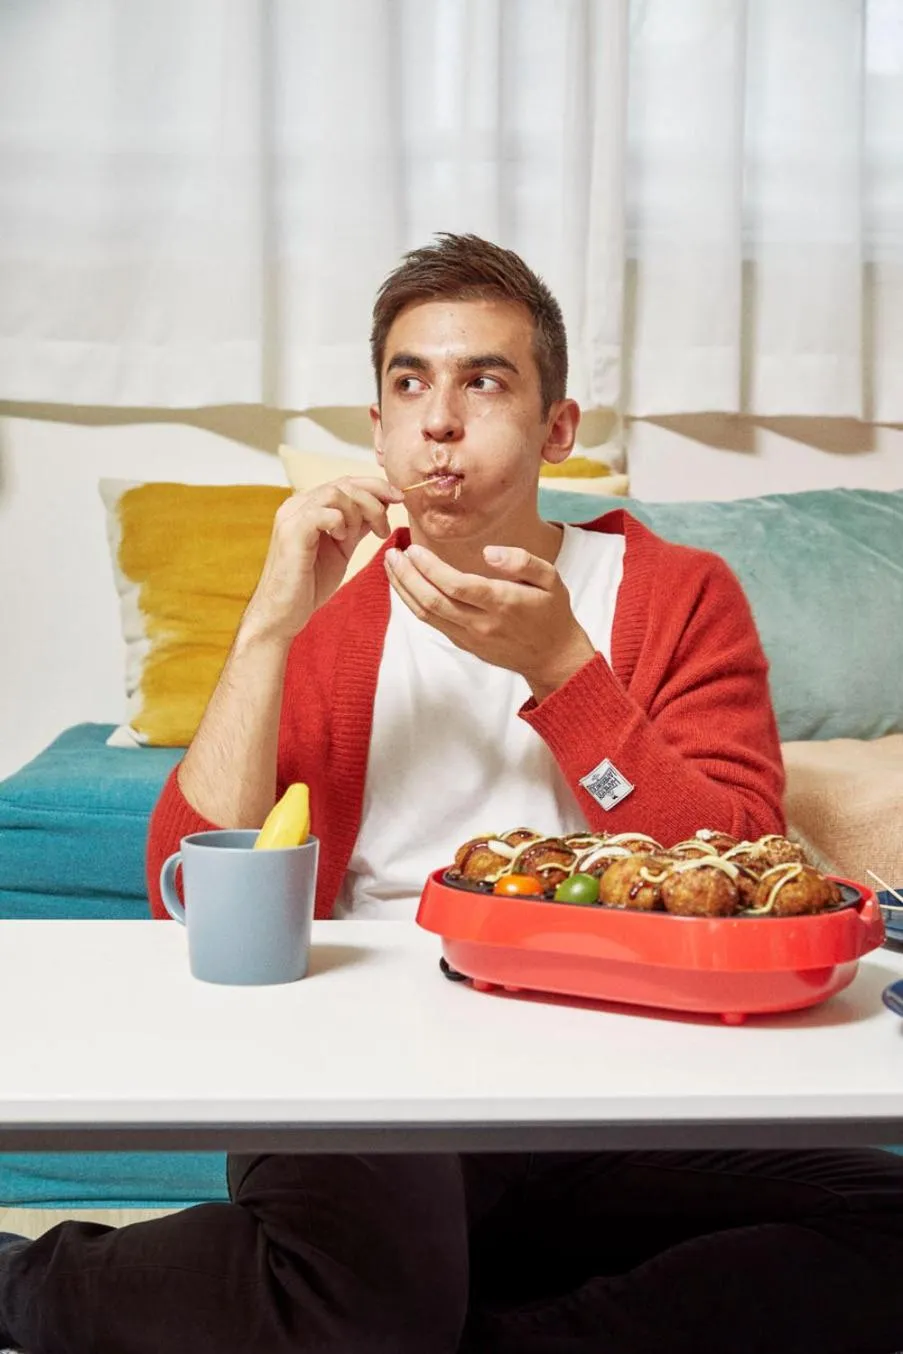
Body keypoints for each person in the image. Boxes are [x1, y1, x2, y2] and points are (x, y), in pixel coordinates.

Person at [2, 233, 903, 1354]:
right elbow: (183, 892)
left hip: (627, 1080)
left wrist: (566, 674)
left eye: (485, 380)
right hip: (364, 1070)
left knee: (887, 1224)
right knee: (375, 1289)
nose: (440, 419)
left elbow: (749, 871)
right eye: (409, 382)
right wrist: (272, 622)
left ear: (556, 428)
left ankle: (442, 1327)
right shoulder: (332, 612)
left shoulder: (676, 594)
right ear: (376, 424)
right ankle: (29, 1280)